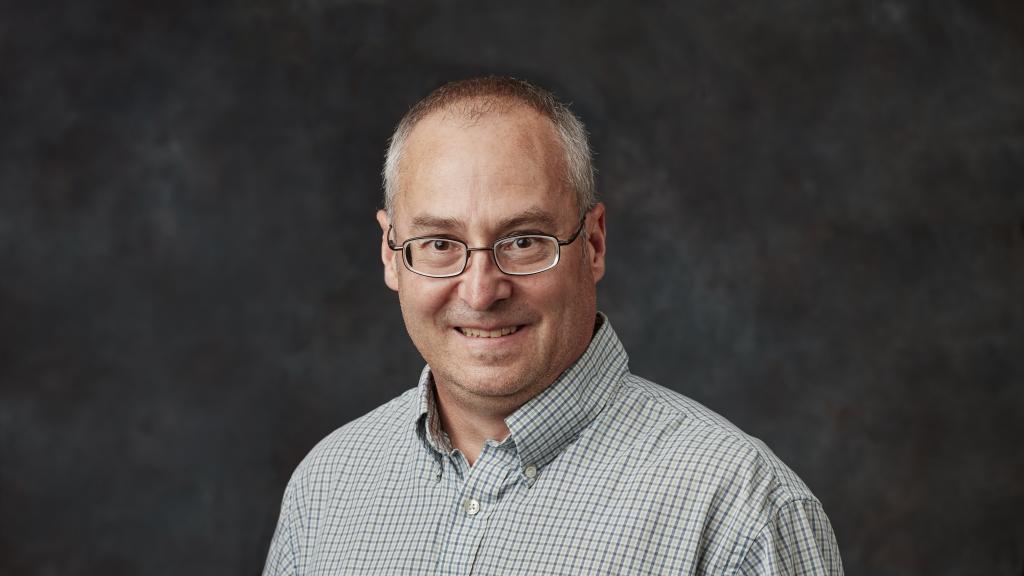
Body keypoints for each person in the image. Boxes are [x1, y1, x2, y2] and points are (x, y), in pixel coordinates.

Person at [263, 76, 843, 575]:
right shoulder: (327, 487)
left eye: (523, 242)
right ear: (391, 253)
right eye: (440, 243)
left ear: (592, 244)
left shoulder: (741, 511)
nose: (481, 290)